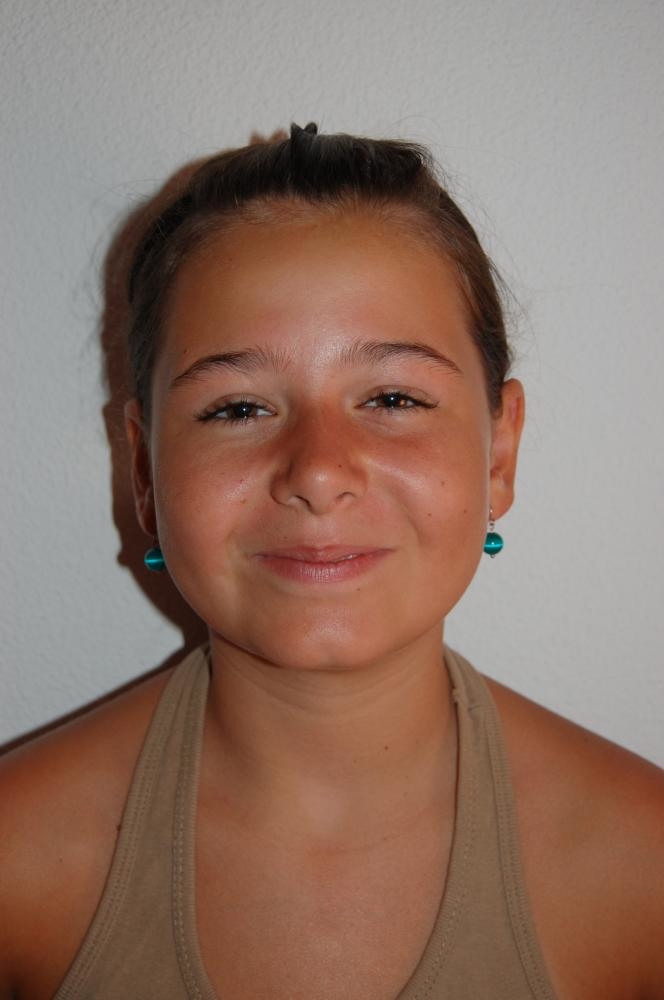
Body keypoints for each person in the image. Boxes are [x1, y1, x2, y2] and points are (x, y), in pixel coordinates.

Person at [1, 123, 663, 1000]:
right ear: (145, 470)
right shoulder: (17, 867)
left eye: (392, 397)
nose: (317, 472)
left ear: (499, 453)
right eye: (237, 408)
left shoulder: (644, 875)